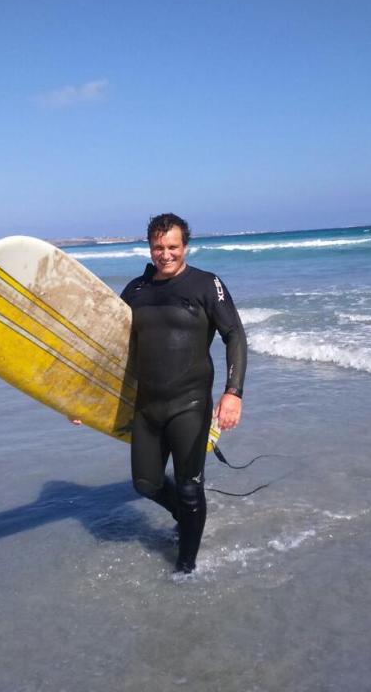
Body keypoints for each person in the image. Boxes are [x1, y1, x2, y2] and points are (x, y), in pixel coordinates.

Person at [120, 212, 247, 573]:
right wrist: (80, 397)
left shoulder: (206, 284)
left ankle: (185, 568)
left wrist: (233, 392)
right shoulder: (136, 290)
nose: (165, 254)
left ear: (185, 246)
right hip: (147, 406)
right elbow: (113, 345)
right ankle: (188, 519)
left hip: (189, 403)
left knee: (190, 488)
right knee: (146, 484)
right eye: (158, 247)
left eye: (173, 247)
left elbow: (235, 335)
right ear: (150, 247)